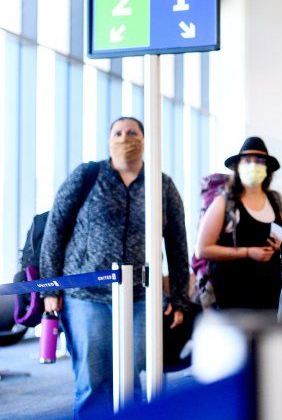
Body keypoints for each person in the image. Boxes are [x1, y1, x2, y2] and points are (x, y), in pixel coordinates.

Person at [40, 117, 190, 419]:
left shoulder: (161, 185)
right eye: (118, 133)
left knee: (129, 379)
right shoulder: (87, 175)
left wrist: (178, 297)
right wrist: (49, 287)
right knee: (93, 379)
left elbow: (177, 242)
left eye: (132, 133)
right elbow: (55, 229)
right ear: (108, 140)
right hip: (85, 295)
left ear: (144, 141)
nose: (125, 138)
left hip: (139, 296)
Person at [195, 136, 282, 310]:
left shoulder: (276, 200)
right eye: (247, 161)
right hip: (232, 298)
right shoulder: (225, 202)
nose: (253, 166)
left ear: (267, 169)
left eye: (259, 161)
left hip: (270, 297)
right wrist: (247, 252)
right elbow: (202, 249)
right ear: (237, 167)